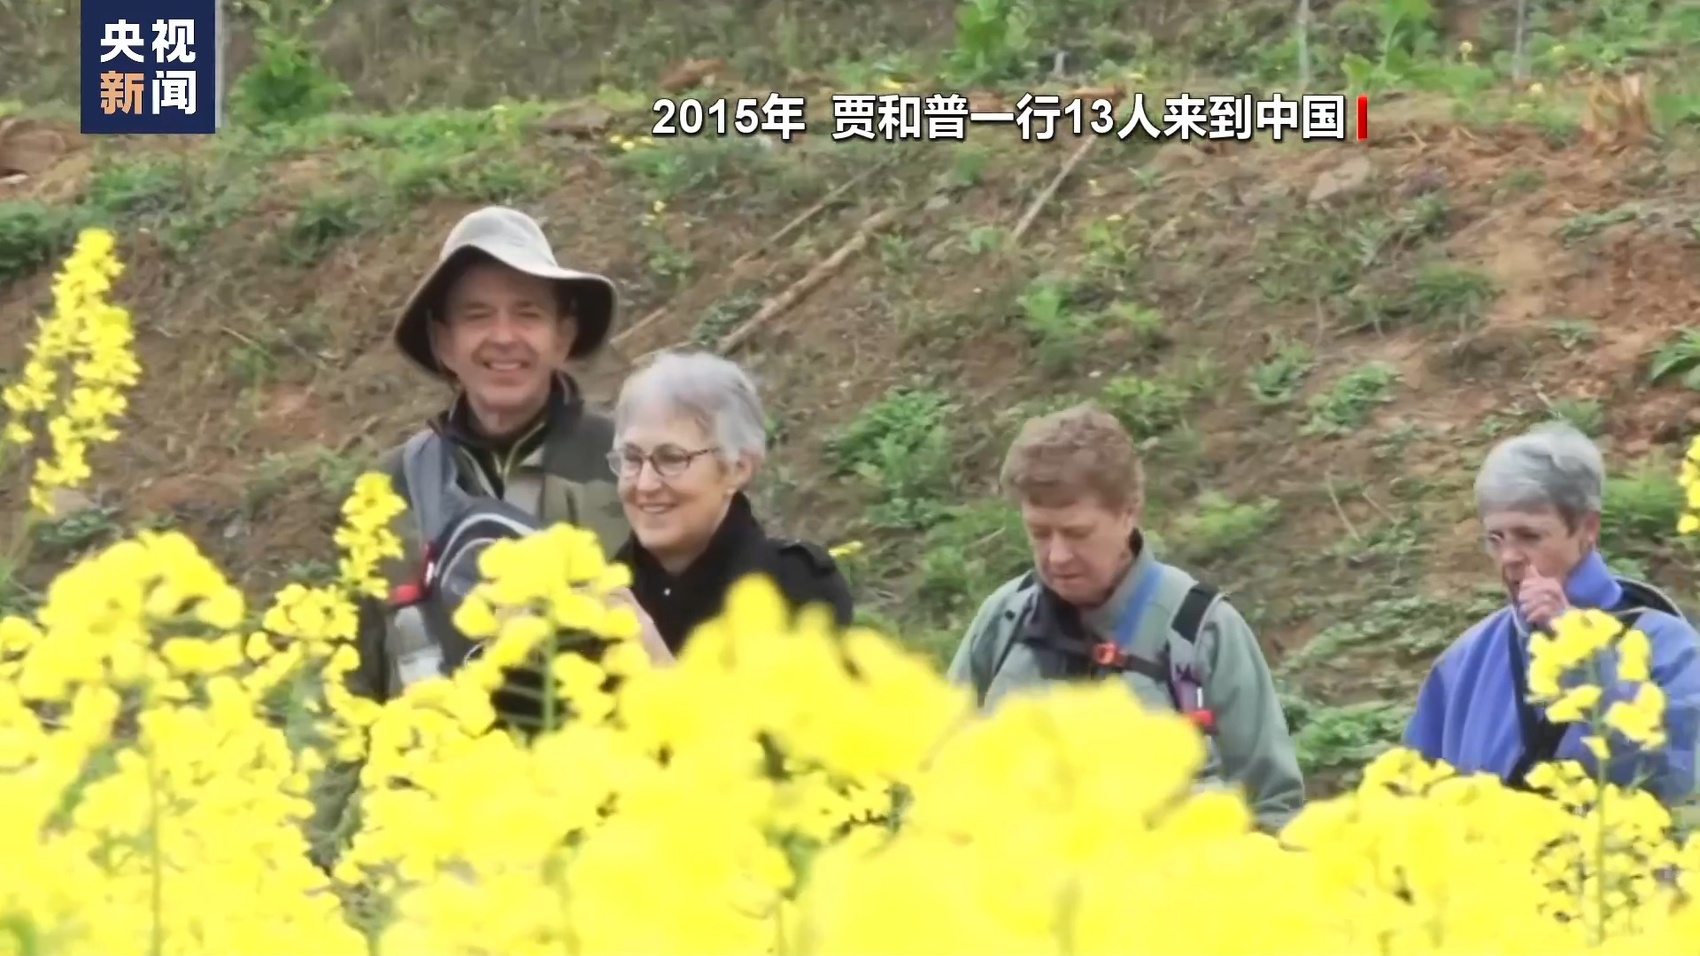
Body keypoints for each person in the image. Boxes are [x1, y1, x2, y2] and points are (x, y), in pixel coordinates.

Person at [349, 205, 671, 707]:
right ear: (444, 343)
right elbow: (355, 686)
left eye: (528, 314)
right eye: (477, 316)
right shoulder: (391, 490)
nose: (503, 337)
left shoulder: (635, 469)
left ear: (562, 337)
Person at [945, 402, 1305, 833]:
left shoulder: (1199, 631)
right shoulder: (1004, 619)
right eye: (1039, 533)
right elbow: (939, 777)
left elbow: (1272, 808)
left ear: (1128, 514)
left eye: (1077, 533)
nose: (1057, 557)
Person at [1403, 422, 1700, 803]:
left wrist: (1579, 650)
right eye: (1495, 538)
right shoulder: (1462, 661)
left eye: (1529, 536)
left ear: (1588, 528)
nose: (1509, 557)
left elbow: (1671, 780)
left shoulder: (1669, 645)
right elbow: (1411, 796)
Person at [609, 349, 853, 655]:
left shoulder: (797, 590)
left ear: (737, 469)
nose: (645, 484)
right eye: (632, 459)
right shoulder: (596, 592)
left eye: (672, 459)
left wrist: (655, 662)